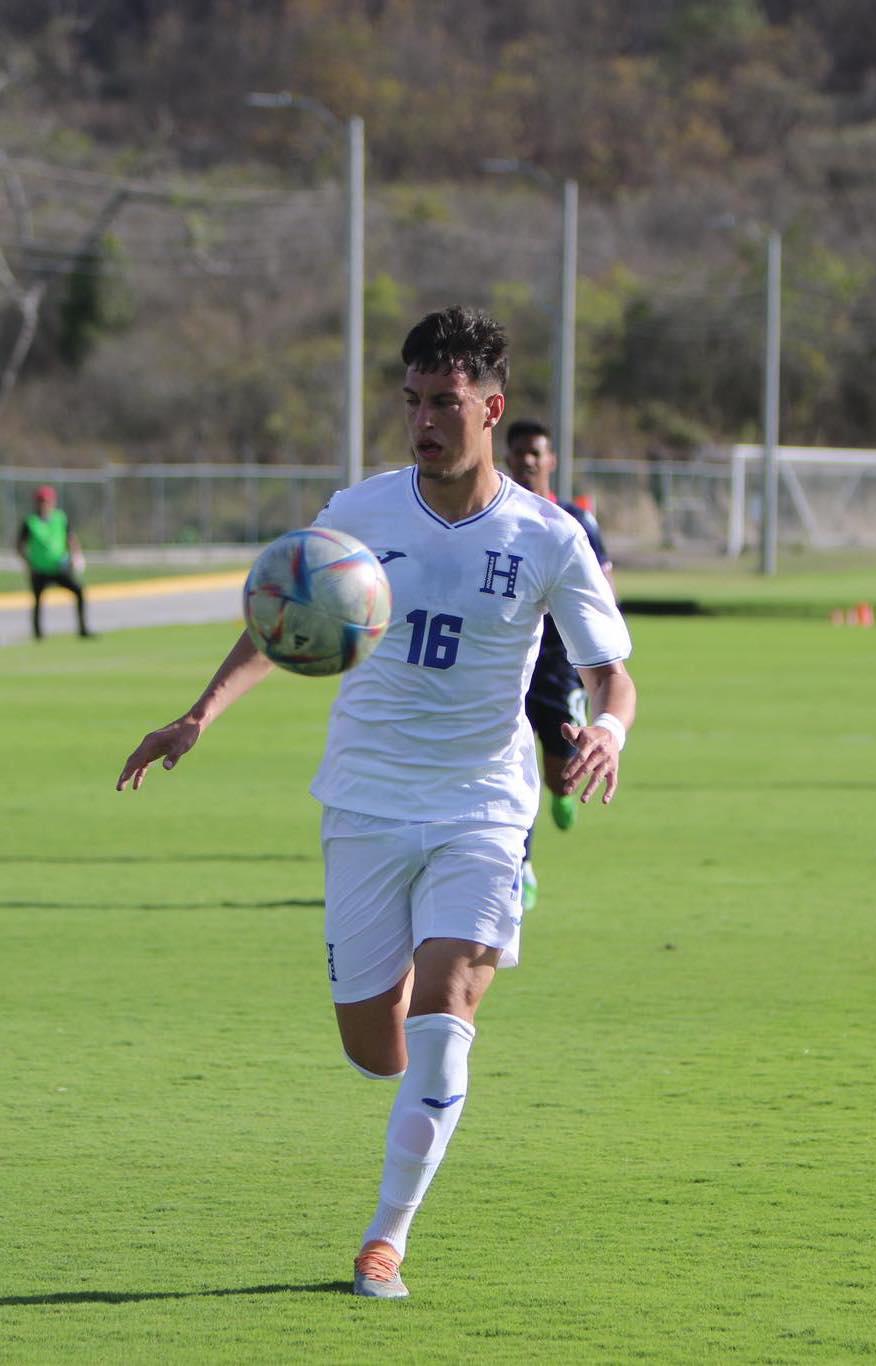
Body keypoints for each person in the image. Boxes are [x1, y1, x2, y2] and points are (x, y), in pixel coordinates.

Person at [116, 306, 635, 1300]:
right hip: (363, 802)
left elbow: (614, 674)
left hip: (484, 804)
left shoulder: (547, 535)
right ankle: (428, 1006)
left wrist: (606, 732)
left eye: (445, 403)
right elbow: (280, 614)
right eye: (413, 403)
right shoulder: (360, 507)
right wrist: (199, 717)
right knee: (374, 1045)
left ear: (492, 407)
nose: (424, 422)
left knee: (448, 1012)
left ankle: (383, 1242)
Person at [505, 420, 617, 911]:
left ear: (551, 460)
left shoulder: (574, 521)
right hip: (509, 662)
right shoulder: (502, 517)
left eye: (536, 452)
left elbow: (604, 594)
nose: (527, 460)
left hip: (559, 666)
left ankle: (560, 795)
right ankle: (521, 863)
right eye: (520, 452)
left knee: (556, 774)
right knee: (515, 764)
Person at [17, 484, 93, 640]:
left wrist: (76, 556)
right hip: (39, 569)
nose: (44, 504)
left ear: (53, 502)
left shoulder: (60, 518)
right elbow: (19, 545)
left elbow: (71, 538)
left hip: (60, 567)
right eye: (41, 501)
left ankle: (83, 629)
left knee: (79, 591)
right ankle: (38, 635)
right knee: (37, 600)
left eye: (47, 501)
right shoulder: (30, 521)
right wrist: (28, 563)